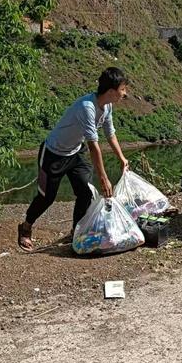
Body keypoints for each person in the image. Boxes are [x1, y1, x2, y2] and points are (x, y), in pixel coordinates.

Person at [18, 67, 130, 252]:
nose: (125, 94)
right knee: (47, 197)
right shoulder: (87, 107)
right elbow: (94, 145)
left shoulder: (107, 106)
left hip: (75, 152)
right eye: (123, 89)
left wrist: (122, 158)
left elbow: (110, 134)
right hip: (54, 153)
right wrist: (103, 177)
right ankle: (26, 226)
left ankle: (76, 231)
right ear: (111, 91)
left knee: (85, 192)